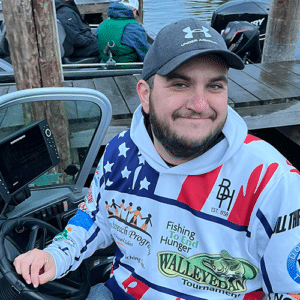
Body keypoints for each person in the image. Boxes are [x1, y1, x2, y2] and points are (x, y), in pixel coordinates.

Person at [14, 18, 300, 300]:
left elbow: (290, 290)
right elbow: (94, 218)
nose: (200, 105)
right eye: (180, 84)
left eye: (215, 86)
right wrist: (54, 255)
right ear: (145, 95)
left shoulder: (273, 182)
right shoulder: (119, 152)